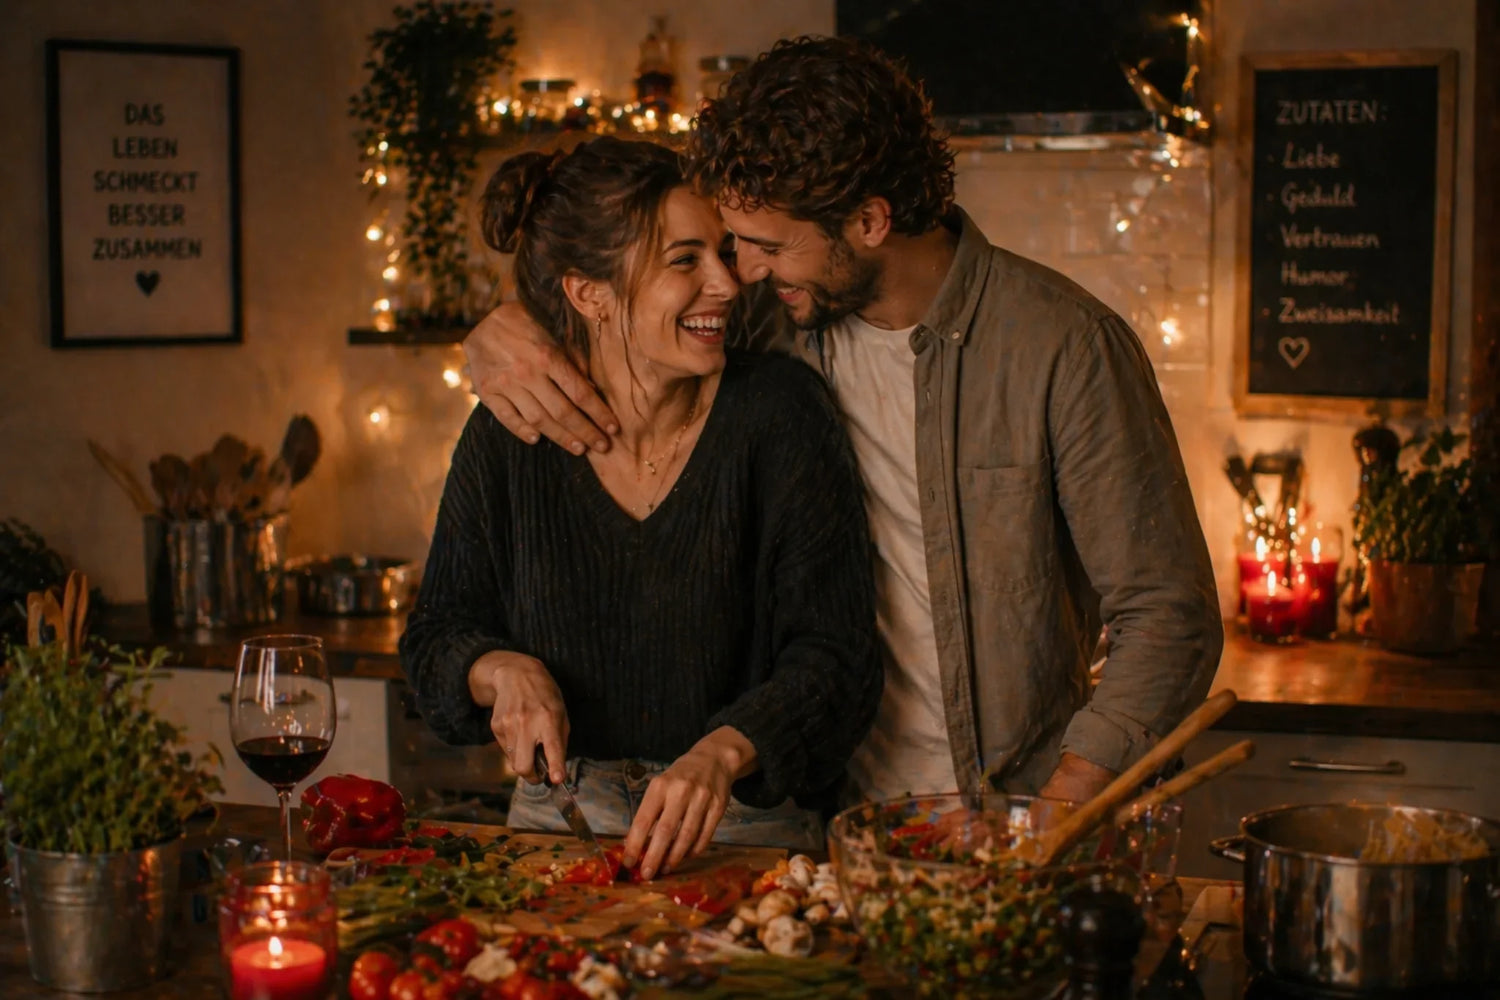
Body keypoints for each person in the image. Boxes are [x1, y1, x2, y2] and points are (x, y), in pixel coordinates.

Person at [461, 37, 1223, 806]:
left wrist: (1062, 808)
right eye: (734, 246)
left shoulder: (1061, 345)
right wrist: (500, 330)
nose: (743, 275)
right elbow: (623, 293)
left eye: (765, 247)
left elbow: (1168, 616)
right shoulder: (771, 325)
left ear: (868, 220)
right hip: (828, 818)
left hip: (1009, 807)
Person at [400, 136, 881, 880]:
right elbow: (434, 638)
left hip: (743, 818)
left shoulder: (780, 414)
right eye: (685, 260)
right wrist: (500, 670)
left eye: (722, 253)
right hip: (559, 822)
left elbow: (837, 660)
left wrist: (721, 754)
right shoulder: (510, 433)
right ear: (589, 293)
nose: (727, 283)